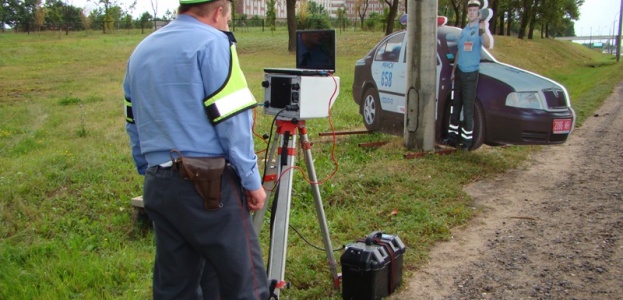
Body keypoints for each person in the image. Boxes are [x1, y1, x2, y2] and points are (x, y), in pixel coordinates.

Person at [123, 0, 269, 299]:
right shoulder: (214, 42)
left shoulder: (141, 50)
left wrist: (149, 168)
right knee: (245, 283)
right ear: (218, 13)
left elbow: (132, 119)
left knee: (176, 286)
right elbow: (232, 120)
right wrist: (252, 181)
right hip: (209, 186)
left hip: (159, 185)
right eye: (228, 20)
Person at [443, 0, 492, 150]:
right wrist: (453, 70)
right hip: (459, 73)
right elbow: (459, 51)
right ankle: (452, 138)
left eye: (474, 10)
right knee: (456, 106)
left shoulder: (480, 29)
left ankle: (466, 142)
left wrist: (483, 30)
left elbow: (488, 44)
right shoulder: (464, 30)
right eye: (470, 10)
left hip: (471, 74)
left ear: (478, 13)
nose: (471, 13)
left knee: (468, 109)